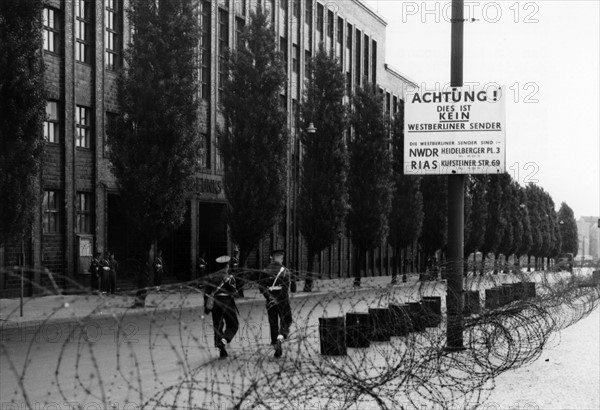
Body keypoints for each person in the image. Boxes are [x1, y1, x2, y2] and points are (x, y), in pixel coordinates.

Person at [259, 249, 292, 358]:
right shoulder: (285, 270)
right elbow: (286, 287)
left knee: (273, 322)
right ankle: (281, 337)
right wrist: (278, 298)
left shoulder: (265, 270)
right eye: (282, 257)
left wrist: (270, 297)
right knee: (286, 319)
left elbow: (261, 287)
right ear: (280, 258)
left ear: (272, 258)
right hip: (282, 300)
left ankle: (275, 342)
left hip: (270, 300)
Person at [204, 255, 239, 359]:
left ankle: (220, 346)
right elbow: (234, 292)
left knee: (218, 324)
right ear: (226, 266)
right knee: (233, 324)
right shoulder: (229, 278)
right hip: (227, 302)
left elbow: (206, 293)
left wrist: (207, 306)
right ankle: (224, 341)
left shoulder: (211, 277)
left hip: (215, 303)